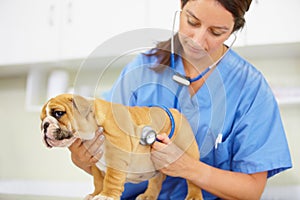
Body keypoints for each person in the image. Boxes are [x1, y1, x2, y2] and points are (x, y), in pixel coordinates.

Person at [69, 0, 292, 199]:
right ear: (181, 7)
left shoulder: (249, 87)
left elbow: (251, 190)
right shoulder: (141, 70)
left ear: (234, 30)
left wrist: (188, 167)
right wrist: (84, 160)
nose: (197, 40)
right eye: (192, 22)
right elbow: (110, 160)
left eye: (216, 32)